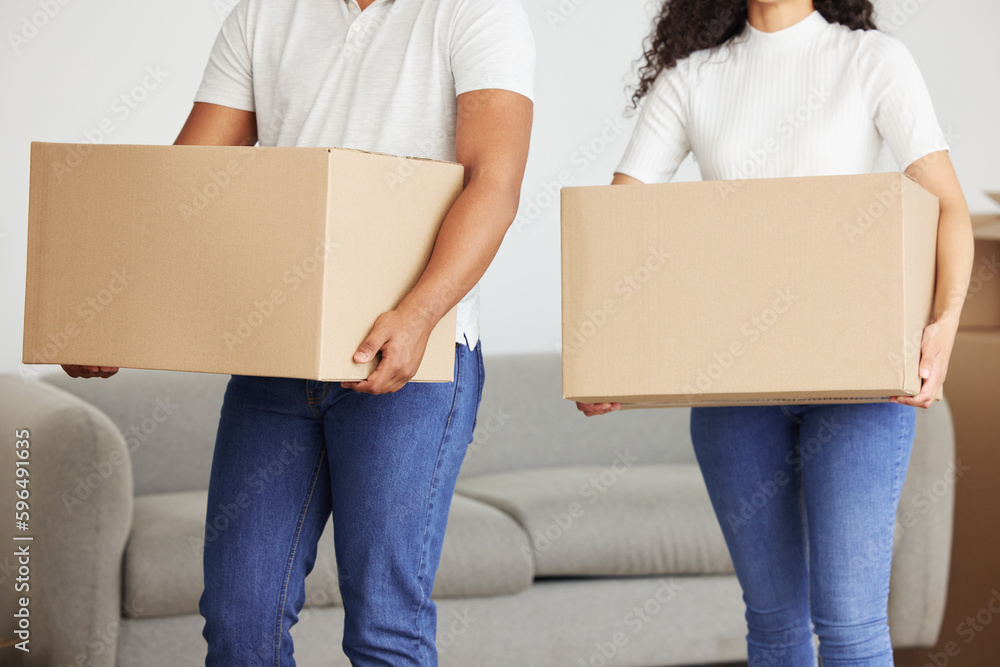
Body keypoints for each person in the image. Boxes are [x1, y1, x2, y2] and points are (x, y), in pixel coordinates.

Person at [62, 0, 534, 664]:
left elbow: (495, 181)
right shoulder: (263, 15)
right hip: (277, 356)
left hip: (412, 363)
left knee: (384, 626)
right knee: (238, 620)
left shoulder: (476, 13)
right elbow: (185, 182)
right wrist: (112, 311)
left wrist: (420, 313)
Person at [577, 0, 973, 665]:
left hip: (862, 380)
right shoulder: (692, 78)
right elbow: (621, 227)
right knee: (774, 625)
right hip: (735, 390)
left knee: (848, 619)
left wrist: (944, 325)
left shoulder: (870, 60)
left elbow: (950, 209)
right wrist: (604, 354)